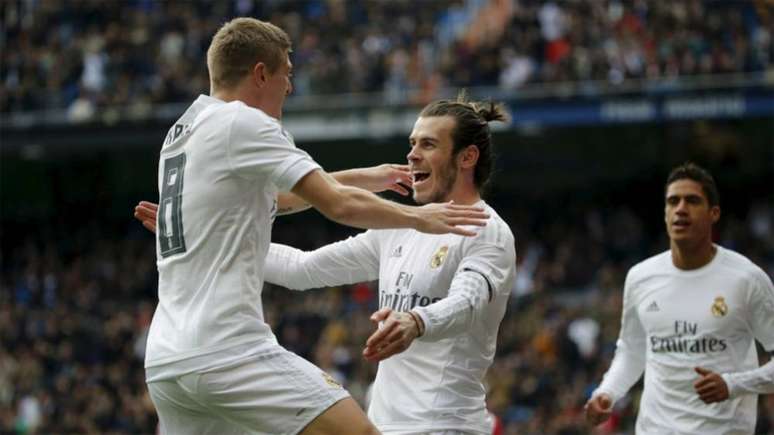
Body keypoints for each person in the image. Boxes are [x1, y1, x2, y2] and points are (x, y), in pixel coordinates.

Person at [143, 17, 490, 435]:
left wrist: (367, 176)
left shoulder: (183, 130)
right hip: (226, 349)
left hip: (166, 361)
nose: (288, 87)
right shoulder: (244, 122)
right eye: (286, 74)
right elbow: (337, 204)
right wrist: (419, 217)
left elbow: (277, 199)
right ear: (260, 73)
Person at [584, 163, 774, 434]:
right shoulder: (640, 277)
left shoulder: (746, 279)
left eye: (692, 201)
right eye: (673, 201)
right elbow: (632, 350)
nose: (681, 208)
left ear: (714, 214)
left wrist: (734, 385)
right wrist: (607, 392)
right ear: (665, 213)